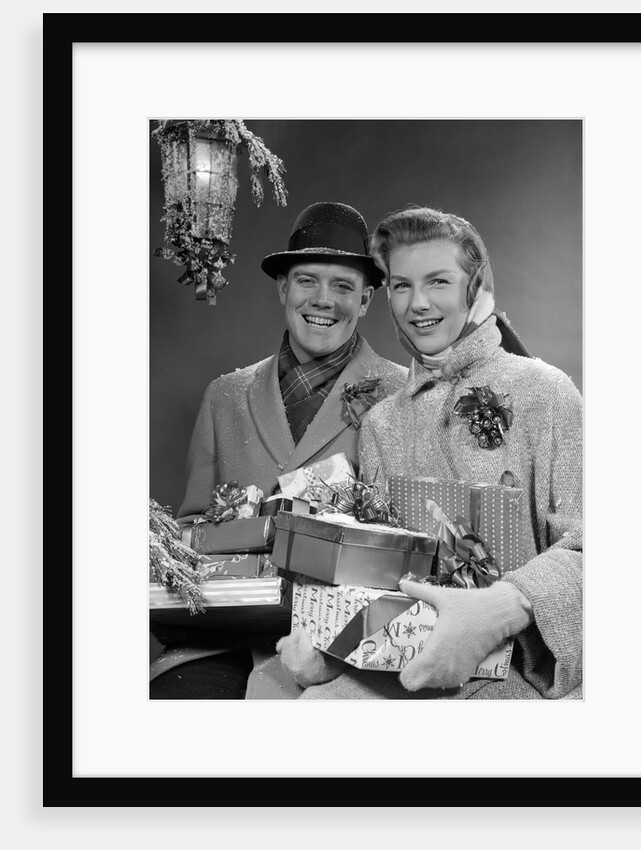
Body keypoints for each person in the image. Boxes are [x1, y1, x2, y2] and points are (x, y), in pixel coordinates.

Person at [274, 205, 582, 700]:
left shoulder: (547, 394)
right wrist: (332, 646)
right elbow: (376, 571)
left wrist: (495, 613)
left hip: (516, 680)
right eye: (401, 285)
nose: (418, 303)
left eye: (438, 281)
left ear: (474, 288)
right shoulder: (381, 423)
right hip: (393, 674)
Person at [150, 201, 409, 699]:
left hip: (345, 646)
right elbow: (188, 534)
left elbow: (407, 543)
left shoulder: (401, 396)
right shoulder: (224, 394)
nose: (323, 300)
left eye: (343, 286)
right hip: (223, 638)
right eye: (308, 280)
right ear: (283, 288)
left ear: (367, 300)